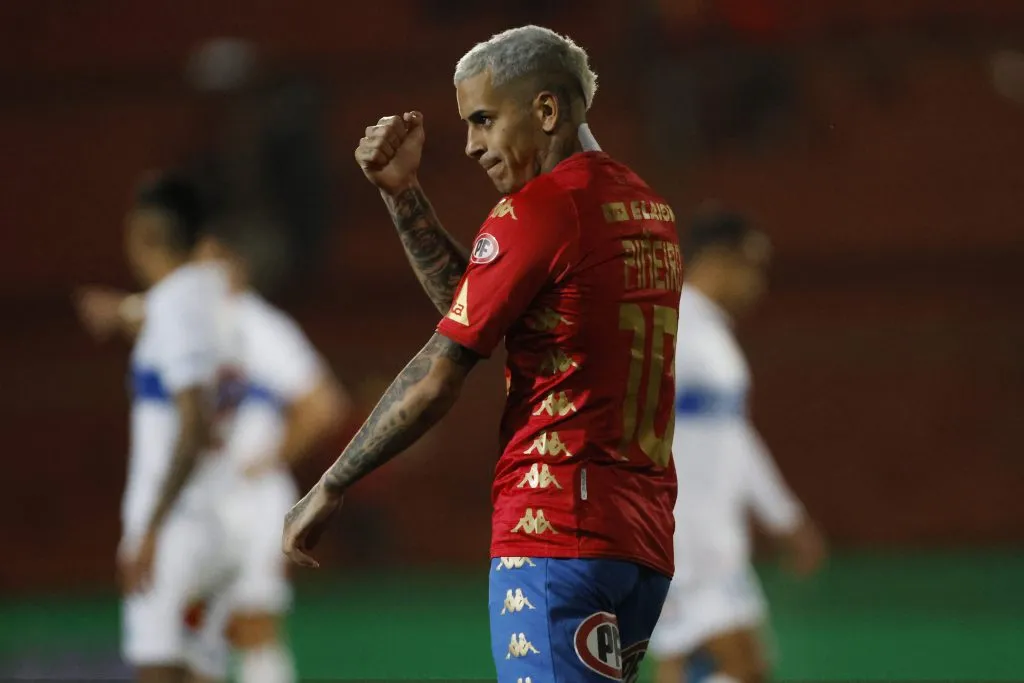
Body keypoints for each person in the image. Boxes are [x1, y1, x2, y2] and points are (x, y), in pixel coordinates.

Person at [282, 25, 682, 682]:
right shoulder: (646, 208)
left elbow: (439, 375)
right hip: (639, 540)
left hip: (553, 526)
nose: (470, 145)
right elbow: (478, 309)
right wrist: (402, 192)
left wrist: (331, 483)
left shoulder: (540, 211)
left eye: (484, 120)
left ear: (547, 111)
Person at [79, 222, 349, 683]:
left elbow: (325, 404)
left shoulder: (257, 323)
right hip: (205, 504)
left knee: (252, 626)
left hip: (252, 501)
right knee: (200, 634)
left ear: (232, 267)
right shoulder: (197, 318)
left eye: (205, 261)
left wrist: (266, 459)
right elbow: (141, 314)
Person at [648, 208, 826, 683]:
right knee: (738, 664)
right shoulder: (673, 328)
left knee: (704, 664)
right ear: (719, 260)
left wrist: (784, 516)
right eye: (752, 265)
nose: (758, 282)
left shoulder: (708, 332)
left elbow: (733, 439)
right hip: (682, 537)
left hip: (713, 539)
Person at [76, 172, 232, 683]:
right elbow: (155, 319)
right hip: (210, 521)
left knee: (159, 672)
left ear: (141, 234)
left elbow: (194, 418)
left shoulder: (171, 305)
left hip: (172, 528)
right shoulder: (209, 293)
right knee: (199, 673)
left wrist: (151, 529)